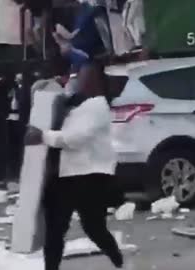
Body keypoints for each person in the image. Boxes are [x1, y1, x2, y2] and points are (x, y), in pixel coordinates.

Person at [26, 63, 123, 270]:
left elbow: (74, 138)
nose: (77, 81)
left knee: (94, 227)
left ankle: (119, 261)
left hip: (89, 176)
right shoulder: (79, 103)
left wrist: (42, 136)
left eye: (82, 77)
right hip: (68, 175)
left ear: (94, 82)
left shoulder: (97, 106)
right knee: (55, 228)